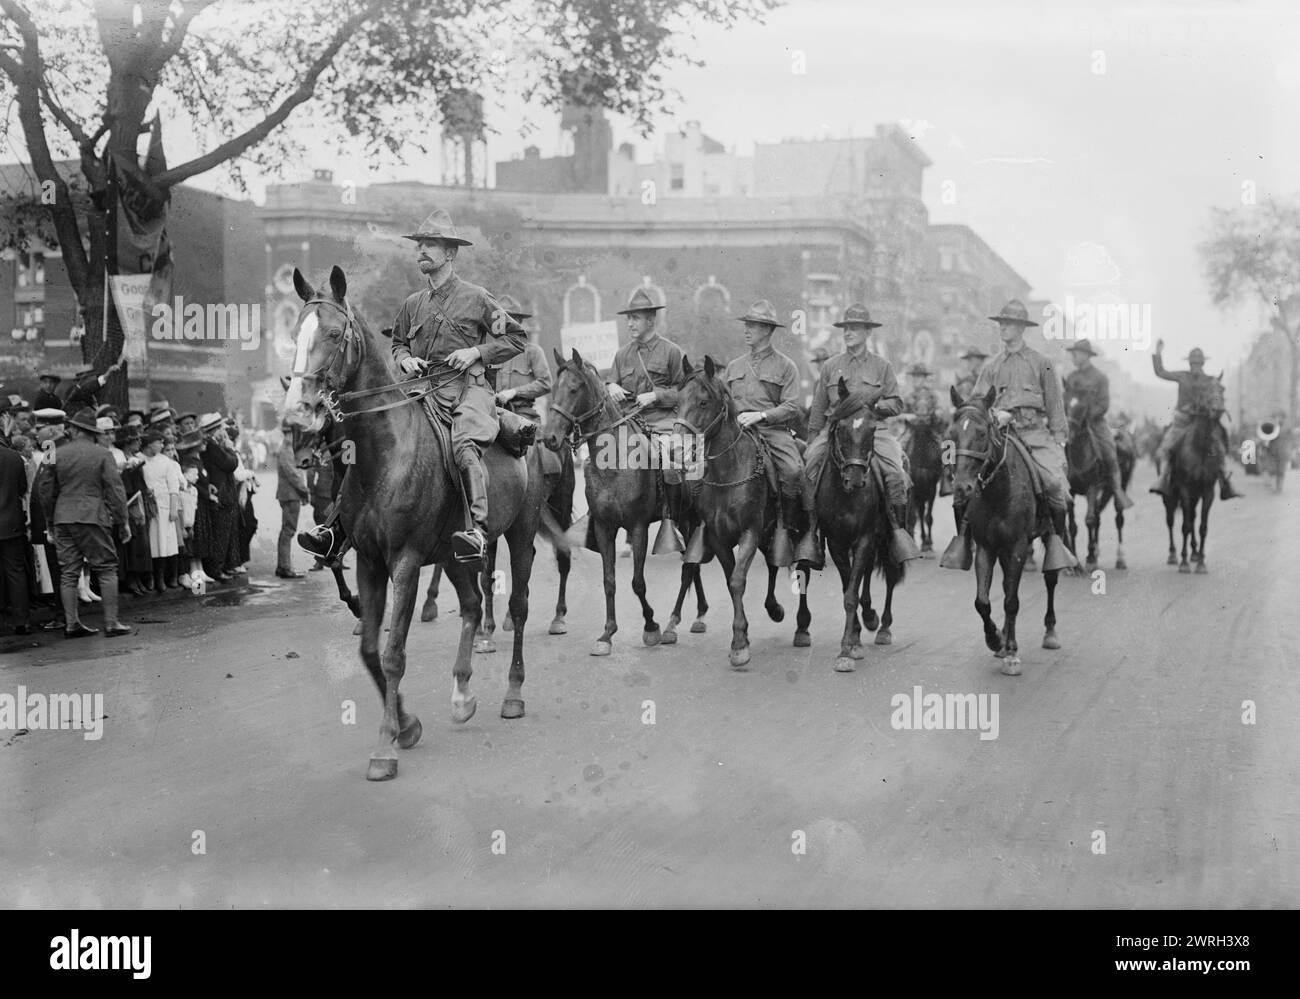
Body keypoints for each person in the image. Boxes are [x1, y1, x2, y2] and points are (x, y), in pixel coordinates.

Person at [299, 208, 526, 565]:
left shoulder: (478, 298)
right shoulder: (411, 304)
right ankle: (335, 528)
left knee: (464, 443)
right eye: (419, 244)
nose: (421, 250)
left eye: (430, 245)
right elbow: (399, 344)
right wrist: (404, 359)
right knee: (365, 439)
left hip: (469, 390)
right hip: (420, 389)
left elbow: (516, 338)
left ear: (450, 253)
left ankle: (477, 531)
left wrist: (476, 352)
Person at [941, 299, 1075, 570]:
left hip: (1035, 435)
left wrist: (1058, 442)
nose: (1002, 328)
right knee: (967, 483)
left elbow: (1055, 407)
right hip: (1000, 437)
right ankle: (964, 542)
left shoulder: (1042, 363)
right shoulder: (991, 366)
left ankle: (1057, 546)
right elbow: (978, 404)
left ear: (1021, 328)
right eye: (1001, 323)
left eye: (1008, 324)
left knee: (1054, 486)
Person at [800, 303, 920, 568]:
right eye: (846, 328)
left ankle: (897, 533)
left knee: (896, 473)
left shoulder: (882, 366)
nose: (848, 333)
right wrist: (813, 440)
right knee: (808, 469)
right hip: (836, 433)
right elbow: (820, 407)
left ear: (867, 332)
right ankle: (812, 536)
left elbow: (897, 403)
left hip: (874, 432)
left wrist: (875, 407)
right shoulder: (831, 366)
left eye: (854, 328)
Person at [35, 408, 132, 637]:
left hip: (62, 517)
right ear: (93, 432)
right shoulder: (103, 454)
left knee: (68, 571)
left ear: (75, 430)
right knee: (107, 567)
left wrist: (50, 521)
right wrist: (123, 520)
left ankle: (71, 623)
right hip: (92, 516)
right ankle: (111, 623)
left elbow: (44, 489)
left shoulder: (53, 451)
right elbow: (115, 490)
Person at [721, 299, 805, 533]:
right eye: (746, 324)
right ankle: (702, 528)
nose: (747, 330)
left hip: (771, 431)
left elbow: (791, 406)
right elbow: (721, 402)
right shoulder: (734, 366)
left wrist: (761, 415)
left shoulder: (786, 366)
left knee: (793, 471)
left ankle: (788, 527)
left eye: (754, 325)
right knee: (698, 465)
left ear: (768, 330)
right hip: (736, 432)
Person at [1149, 341, 1242, 500]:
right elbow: (1161, 372)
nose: (1196, 366)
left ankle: (1225, 479)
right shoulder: (1181, 375)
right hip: (1182, 419)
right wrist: (1158, 353)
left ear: (1203, 364)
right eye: (1193, 363)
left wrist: (1217, 409)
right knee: (1166, 446)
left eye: (1199, 363)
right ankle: (1163, 478)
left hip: (1205, 420)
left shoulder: (1211, 380)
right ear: (1189, 363)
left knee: (1220, 442)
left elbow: (1218, 399)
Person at [1061, 339, 1133, 508]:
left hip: (1095, 423)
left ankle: (1117, 491)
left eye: (1076, 354)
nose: (1073, 357)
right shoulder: (1071, 377)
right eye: (1072, 354)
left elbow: (1104, 403)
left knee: (1110, 451)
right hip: (1073, 423)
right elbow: (1066, 400)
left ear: (1086, 356)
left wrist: (1088, 415)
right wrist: (1070, 416)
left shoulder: (1100, 377)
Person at [606, 288, 685, 436]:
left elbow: (685, 393)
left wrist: (655, 396)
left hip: (663, 424)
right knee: (598, 458)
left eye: (635, 318)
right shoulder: (621, 355)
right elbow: (608, 387)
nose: (629, 324)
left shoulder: (672, 351)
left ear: (650, 321)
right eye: (628, 319)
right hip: (628, 424)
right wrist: (611, 387)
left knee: (686, 455)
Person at [198, 412, 239, 582]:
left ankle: (220, 567)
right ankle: (216, 569)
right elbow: (231, 463)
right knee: (220, 534)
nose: (223, 430)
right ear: (214, 430)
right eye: (220, 427)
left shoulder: (214, 444)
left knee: (224, 533)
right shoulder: (213, 446)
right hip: (221, 495)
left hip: (224, 493)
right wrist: (230, 448)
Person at [141, 429, 183, 591]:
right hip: (148, 506)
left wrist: (173, 509)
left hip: (165, 507)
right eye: (158, 442)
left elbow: (173, 487)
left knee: (166, 542)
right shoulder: (139, 460)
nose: (162, 445)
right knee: (151, 542)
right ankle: (151, 576)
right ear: (149, 443)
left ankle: (164, 576)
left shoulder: (165, 461)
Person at [0, 436, 31, 634]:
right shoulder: (14, 457)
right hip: (11, 521)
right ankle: (22, 620)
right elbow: (22, 489)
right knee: (16, 572)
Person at [275, 422, 309, 579]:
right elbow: (293, 474)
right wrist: (304, 489)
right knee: (288, 531)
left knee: (286, 530)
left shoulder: (286, 448)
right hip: (290, 495)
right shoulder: (287, 449)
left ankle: (283, 566)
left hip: (288, 494)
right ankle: (285, 567)